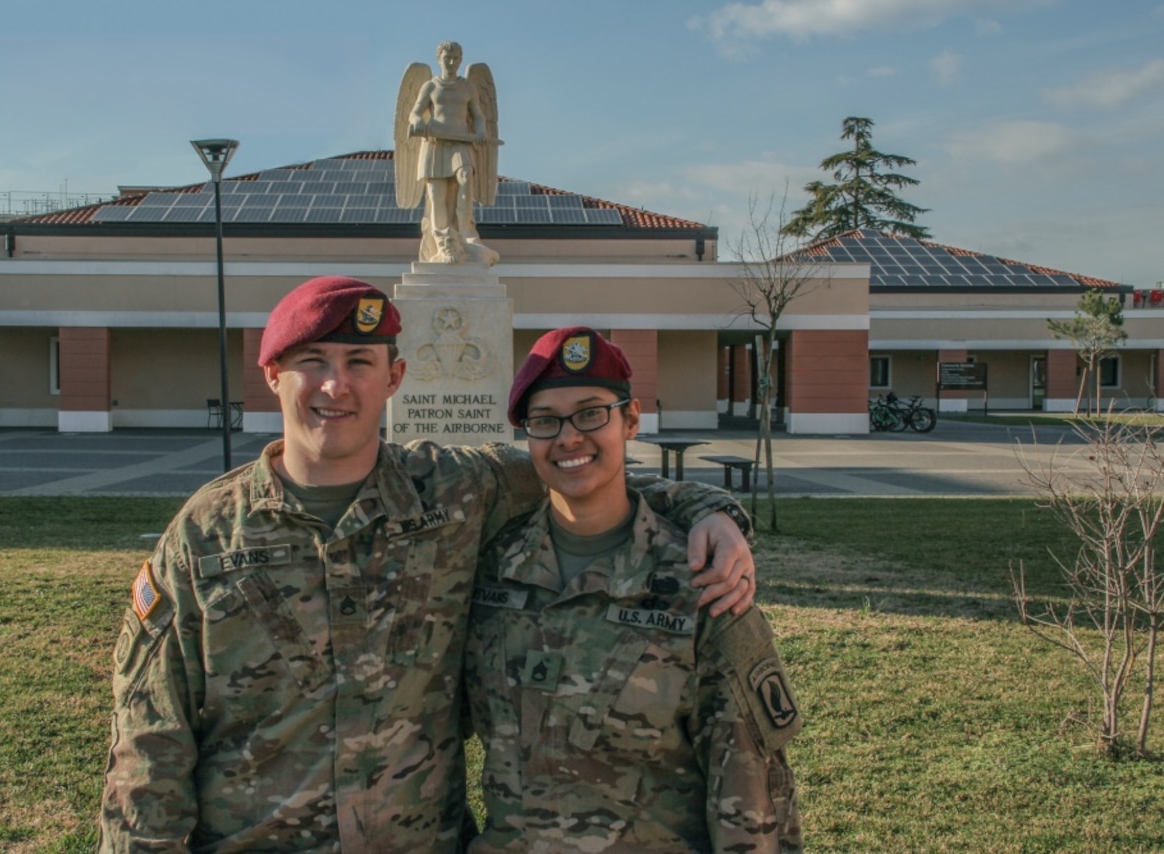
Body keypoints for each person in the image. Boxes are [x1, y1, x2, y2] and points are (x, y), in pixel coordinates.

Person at [98, 276, 756, 852]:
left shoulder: (455, 491)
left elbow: (580, 465)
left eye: (360, 361)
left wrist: (710, 509)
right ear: (272, 374)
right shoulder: (206, 536)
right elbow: (149, 744)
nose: (336, 385)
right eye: (312, 362)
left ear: (395, 377)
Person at [465, 326, 802, 852]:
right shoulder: (490, 572)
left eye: (591, 413)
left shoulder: (702, 581)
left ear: (632, 420)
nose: (569, 437)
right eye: (545, 421)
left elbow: (751, 795)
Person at [395, 40, 499, 265]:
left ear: (460, 60)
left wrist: (481, 131)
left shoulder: (467, 86)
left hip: (461, 142)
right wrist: (417, 123)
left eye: (455, 58)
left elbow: (478, 115)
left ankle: (465, 232)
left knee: (465, 178)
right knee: (436, 195)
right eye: (447, 57)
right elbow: (414, 113)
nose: (451, 62)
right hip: (435, 143)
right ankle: (444, 241)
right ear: (439, 58)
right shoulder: (431, 86)